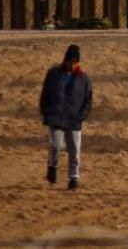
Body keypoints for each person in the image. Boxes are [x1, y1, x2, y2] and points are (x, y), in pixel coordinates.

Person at [39, 44, 93, 190]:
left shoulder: (84, 79)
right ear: (65, 60)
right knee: (55, 146)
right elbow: (45, 94)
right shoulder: (53, 74)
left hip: (74, 119)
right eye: (71, 62)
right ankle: (52, 166)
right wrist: (46, 111)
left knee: (74, 151)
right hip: (55, 117)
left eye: (76, 62)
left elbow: (88, 100)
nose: (73, 65)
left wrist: (81, 115)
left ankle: (73, 178)